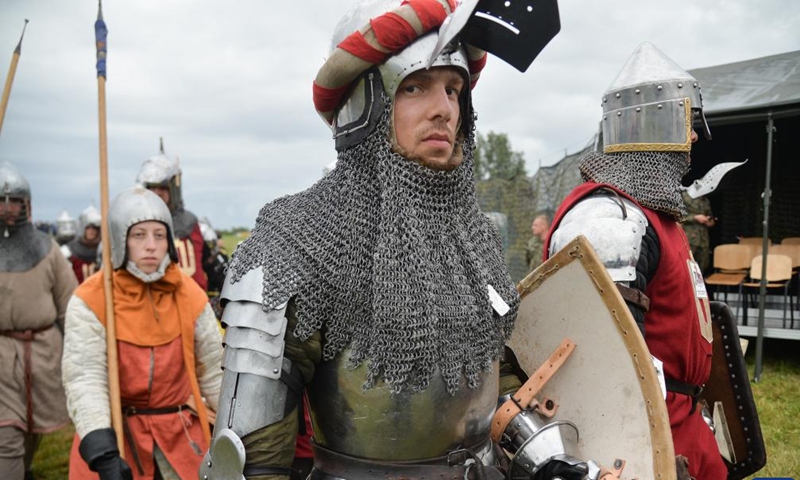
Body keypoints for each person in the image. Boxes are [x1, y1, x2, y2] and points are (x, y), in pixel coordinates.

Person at [201, 1, 606, 479]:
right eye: (415, 87)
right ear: (361, 105)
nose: (444, 110)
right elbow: (248, 463)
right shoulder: (296, 245)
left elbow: (491, 378)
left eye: (454, 90)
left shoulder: (475, 236)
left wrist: (543, 458)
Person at [545, 42, 726, 480]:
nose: (696, 136)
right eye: (688, 121)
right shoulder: (610, 217)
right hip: (643, 442)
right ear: (660, 123)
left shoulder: (657, 215)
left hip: (682, 427)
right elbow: (603, 368)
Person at [61, 186, 223, 479]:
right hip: (118, 437)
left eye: (159, 235)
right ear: (121, 240)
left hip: (182, 435)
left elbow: (213, 372)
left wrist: (233, 430)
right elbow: (85, 378)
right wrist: (101, 449)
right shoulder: (92, 299)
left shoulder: (190, 295)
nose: (151, 245)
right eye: (139, 235)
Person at [0, 161, 78, 480]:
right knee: (6, 434)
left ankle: (23, 470)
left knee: (31, 429)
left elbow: (70, 304)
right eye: (1, 201)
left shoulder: (48, 249)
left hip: (42, 354)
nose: (7, 209)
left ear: (26, 204)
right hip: (1, 355)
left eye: (14, 201)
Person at [136, 149, 208, 290]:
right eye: (152, 188)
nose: (157, 193)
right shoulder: (136, 223)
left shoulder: (189, 222)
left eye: (163, 188)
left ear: (172, 189)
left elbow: (203, 268)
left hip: (190, 298)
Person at [62, 204, 102, 283]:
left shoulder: (103, 250)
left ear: (98, 231)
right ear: (84, 230)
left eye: (94, 228)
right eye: (88, 228)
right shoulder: (70, 250)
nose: (91, 231)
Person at [681, 190, 715, 273]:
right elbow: (678, 215)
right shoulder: (685, 196)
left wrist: (710, 221)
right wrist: (695, 218)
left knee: (701, 269)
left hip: (703, 240)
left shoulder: (705, 200)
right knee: (686, 267)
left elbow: (710, 216)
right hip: (689, 239)